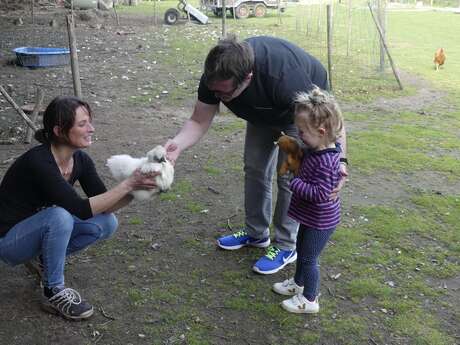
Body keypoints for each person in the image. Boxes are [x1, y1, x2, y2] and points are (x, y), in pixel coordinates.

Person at [165, 35, 347, 274]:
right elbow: (199, 120)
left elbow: (333, 121)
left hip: (299, 117)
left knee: (290, 178)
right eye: (214, 92)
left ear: (247, 78)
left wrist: (341, 160)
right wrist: (176, 145)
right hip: (262, 113)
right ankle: (256, 233)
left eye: (225, 94)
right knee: (254, 168)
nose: (218, 98)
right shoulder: (216, 77)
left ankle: (285, 245)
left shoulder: (285, 78)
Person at [0, 96, 157, 320]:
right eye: (82, 124)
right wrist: (128, 184)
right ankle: (52, 290)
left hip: (36, 231)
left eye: (90, 122)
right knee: (59, 216)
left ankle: (46, 260)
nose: (91, 129)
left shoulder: (80, 160)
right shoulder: (39, 162)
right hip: (8, 242)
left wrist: (139, 189)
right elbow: (80, 209)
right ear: (59, 130)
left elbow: (105, 204)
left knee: (107, 222)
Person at [272, 88, 343, 314]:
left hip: (321, 221)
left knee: (310, 258)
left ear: (321, 131)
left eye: (303, 132)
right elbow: (305, 156)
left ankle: (310, 300)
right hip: (311, 218)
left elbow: (321, 194)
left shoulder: (326, 162)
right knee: (302, 252)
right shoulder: (318, 149)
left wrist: (295, 183)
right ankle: (298, 284)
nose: (300, 135)